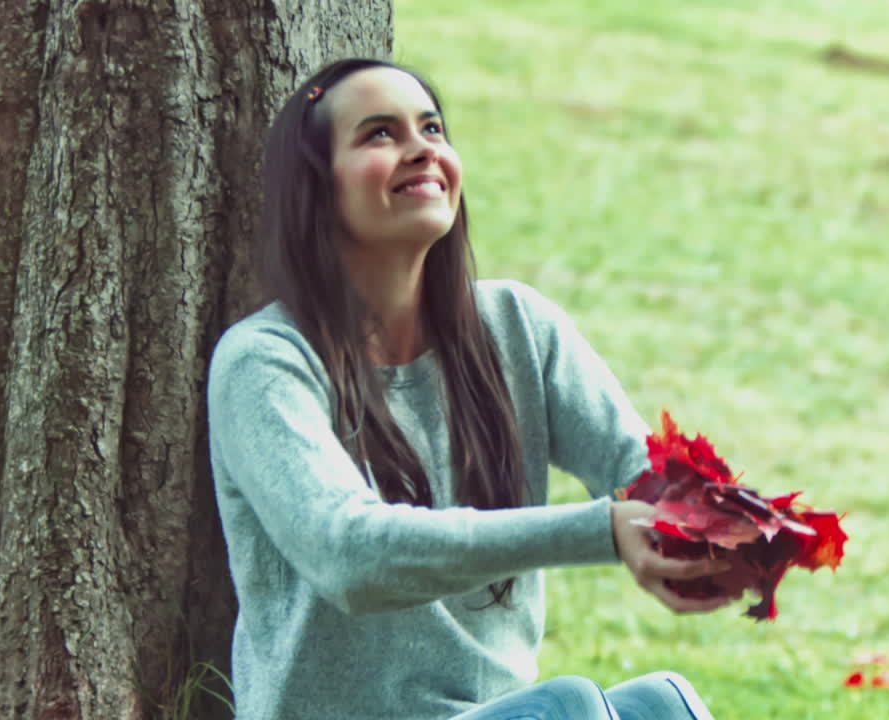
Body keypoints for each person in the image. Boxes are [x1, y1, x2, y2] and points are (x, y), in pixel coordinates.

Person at [206, 57, 730, 720]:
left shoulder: (517, 328)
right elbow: (350, 554)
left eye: (431, 128)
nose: (421, 148)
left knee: (664, 703)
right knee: (569, 708)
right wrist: (603, 531)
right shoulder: (264, 363)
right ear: (318, 188)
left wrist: (728, 529)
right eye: (379, 134)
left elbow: (645, 475)